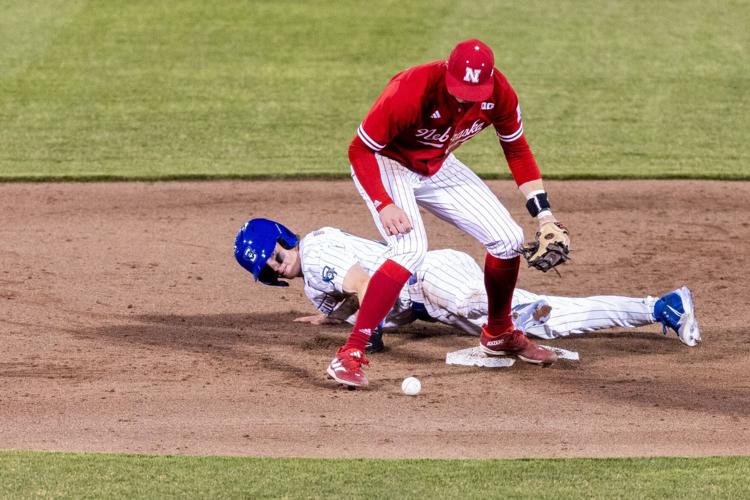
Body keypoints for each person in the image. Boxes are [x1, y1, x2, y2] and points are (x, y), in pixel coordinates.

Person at [329, 38, 571, 386]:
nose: (465, 98)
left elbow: (516, 149)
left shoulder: (500, 93)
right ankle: (350, 352)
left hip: (438, 164)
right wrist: (384, 203)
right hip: (387, 163)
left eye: (474, 92)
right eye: (460, 90)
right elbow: (360, 150)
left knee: (508, 239)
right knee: (410, 249)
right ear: (448, 73)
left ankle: (499, 333)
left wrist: (544, 214)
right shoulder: (409, 90)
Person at [233, 220, 701, 378]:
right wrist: (332, 318)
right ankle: (658, 307)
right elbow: (354, 287)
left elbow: (360, 284)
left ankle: (660, 305)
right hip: (433, 292)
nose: (277, 266)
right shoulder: (315, 266)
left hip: (436, 282)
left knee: (535, 315)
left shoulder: (314, 258)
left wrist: (364, 332)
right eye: (267, 269)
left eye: (273, 255)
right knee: (537, 322)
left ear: (281, 237)